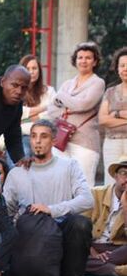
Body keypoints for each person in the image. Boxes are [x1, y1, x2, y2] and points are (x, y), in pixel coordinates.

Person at [2, 119, 94, 276]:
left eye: (44, 136)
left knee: (80, 223)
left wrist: (51, 209)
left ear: (53, 140)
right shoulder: (17, 172)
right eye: (34, 136)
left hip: (61, 226)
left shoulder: (69, 166)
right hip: (31, 233)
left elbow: (87, 200)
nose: (37, 141)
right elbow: (6, 210)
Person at [47, 42, 106, 188]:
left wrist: (61, 97)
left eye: (88, 58)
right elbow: (51, 110)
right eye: (80, 57)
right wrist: (68, 106)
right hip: (62, 141)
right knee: (60, 184)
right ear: (75, 60)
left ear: (95, 61)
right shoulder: (68, 83)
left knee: (84, 186)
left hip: (85, 143)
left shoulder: (98, 83)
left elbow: (84, 104)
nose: (83, 61)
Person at [84, 155, 127, 276]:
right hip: (92, 246)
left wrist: (125, 206)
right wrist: (93, 253)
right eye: (124, 173)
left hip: (118, 250)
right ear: (115, 176)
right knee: (71, 250)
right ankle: (117, 270)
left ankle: (90, 266)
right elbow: (80, 227)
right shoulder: (95, 194)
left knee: (75, 263)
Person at [97, 46, 127, 184]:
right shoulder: (110, 91)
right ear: (117, 68)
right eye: (122, 65)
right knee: (111, 182)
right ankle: (111, 207)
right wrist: (121, 114)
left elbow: (108, 118)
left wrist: (113, 115)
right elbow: (102, 119)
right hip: (111, 143)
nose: (125, 69)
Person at [19, 54, 56, 157]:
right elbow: (16, 114)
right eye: (28, 68)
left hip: (45, 137)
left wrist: (26, 118)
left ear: (39, 70)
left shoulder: (49, 91)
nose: (31, 72)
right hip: (22, 136)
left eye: (34, 68)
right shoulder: (17, 92)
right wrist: (44, 108)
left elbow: (54, 113)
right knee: (24, 156)